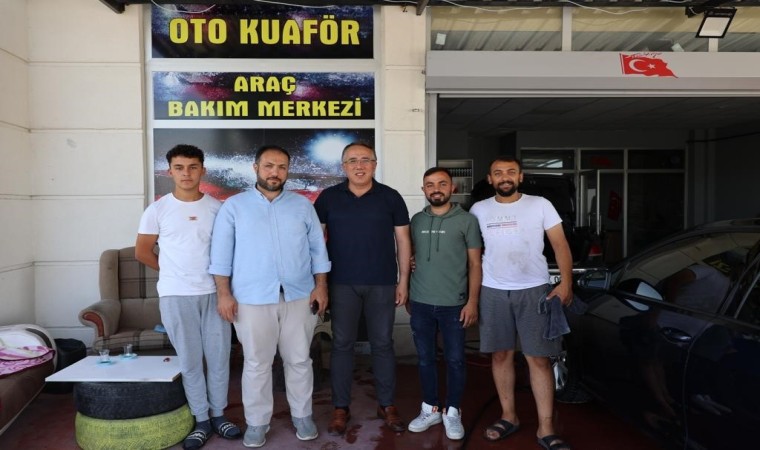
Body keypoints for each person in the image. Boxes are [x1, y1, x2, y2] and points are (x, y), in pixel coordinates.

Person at [208, 145, 331, 448]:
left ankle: (302, 415)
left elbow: (318, 249)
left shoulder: (302, 206)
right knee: (256, 363)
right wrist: (224, 294)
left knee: (299, 360)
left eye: (281, 167)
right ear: (256, 168)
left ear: (287, 171)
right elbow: (220, 256)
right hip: (251, 298)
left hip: (299, 296)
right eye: (269, 166)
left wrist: (321, 286)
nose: (275, 172)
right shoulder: (234, 207)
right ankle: (257, 422)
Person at [135, 144, 241, 450]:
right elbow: (143, 251)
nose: (186, 173)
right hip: (176, 295)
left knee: (219, 359)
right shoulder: (157, 210)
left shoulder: (218, 208)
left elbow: (229, 251)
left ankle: (219, 415)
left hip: (215, 294)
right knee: (191, 361)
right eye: (179, 168)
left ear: (202, 170)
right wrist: (171, 270)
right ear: (169, 172)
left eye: (193, 167)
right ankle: (201, 420)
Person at [469, 156, 574, 450]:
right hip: (493, 290)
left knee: (538, 359)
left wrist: (566, 283)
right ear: (490, 179)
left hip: (534, 290)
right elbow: (469, 251)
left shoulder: (540, 204)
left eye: (510, 172)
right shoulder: (479, 209)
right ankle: (509, 416)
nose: (505, 177)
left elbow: (560, 245)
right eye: (498, 173)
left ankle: (546, 427)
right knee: (500, 356)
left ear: (520, 177)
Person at [313, 142, 412, 435]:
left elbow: (403, 241)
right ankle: (340, 407)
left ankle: (387, 404)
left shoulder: (390, 197)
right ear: (343, 166)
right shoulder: (329, 198)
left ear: (375, 164)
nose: (359, 166)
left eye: (365, 160)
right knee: (342, 345)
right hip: (341, 283)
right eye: (353, 160)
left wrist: (403, 281)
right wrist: (320, 284)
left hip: (382, 282)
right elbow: (316, 243)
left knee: (382, 344)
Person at [406, 167, 482, 440]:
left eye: (442, 183)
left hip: (454, 304)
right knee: (425, 359)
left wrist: (472, 302)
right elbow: (410, 256)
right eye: (430, 184)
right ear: (423, 189)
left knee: (456, 360)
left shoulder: (467, 220)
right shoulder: (416, 220)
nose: (435, 189)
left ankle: (452, 412)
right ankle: (430, 409)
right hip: (420, 302)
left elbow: (475, 264)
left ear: (452, 188)